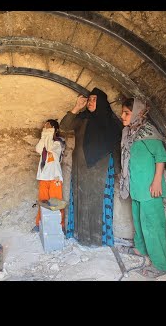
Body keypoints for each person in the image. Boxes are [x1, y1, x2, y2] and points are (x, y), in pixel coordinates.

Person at [60, 88, 122, 247]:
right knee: (82, 200)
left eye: (94, 99)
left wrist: (117, 170)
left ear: (101, 102)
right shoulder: (82, 118)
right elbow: (64, 126)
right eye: (89, 99)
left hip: (99, 171)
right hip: (81, 169)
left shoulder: (111, 122)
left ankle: (97, 238)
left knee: (96, 202)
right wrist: (76, 107)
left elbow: (115, 147)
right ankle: (81, 235)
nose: (90, 102)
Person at [120, 97, 166, 278]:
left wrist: (157, 181)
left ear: (138, 113)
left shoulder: (148, 131)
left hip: (150, 189)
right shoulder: (130, 133)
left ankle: (161, 264)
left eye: (126, 113)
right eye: (122, 112)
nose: (122, 116)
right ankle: (141, 249)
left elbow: (161, 157)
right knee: (139, 222)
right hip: (136, 188)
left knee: (153, 226)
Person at [32, 119, 66, 233]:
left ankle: (60, 226)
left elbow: (51, 148)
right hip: (44, 177)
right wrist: (44, 136)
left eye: (49, 127)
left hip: (55, 177)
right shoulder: (44, 140)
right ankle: (40, 224)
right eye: (45, 127)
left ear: (54, 130)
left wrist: (48, 134)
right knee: (43, 201)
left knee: (57, 202)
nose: (46, 128)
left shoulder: (59, 142)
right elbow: (38, 149)